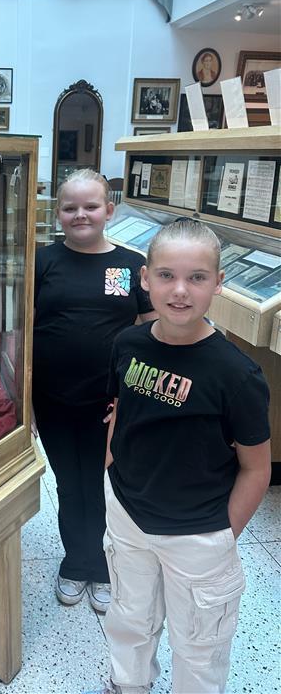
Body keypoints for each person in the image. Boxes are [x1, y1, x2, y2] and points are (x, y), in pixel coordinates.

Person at [90, 219, 271, 694]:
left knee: (199, 643)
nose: (180, 292)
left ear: (218, 283)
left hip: (199, 531)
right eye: (167, 276)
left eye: (197, 277)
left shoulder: (236, 374)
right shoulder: (127, 344)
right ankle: (128, 685)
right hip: (128, 513)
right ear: (145, 278)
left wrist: (221, 533)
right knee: (129, 616)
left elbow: (256, 466)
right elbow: (119, 409)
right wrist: (112, 470)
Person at [33, 168, 155, 612]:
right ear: (58, 212)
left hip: (112, 402)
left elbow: (146, 329)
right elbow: (23, 332)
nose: (80, 214)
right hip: (53, 397)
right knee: (70, 483)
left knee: (106, 484)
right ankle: (77, 561)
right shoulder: (42, 262)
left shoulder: (128, 264)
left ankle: (103, 565)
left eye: (90, 206)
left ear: (109, 209)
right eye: (70, 207)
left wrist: (136, 397)